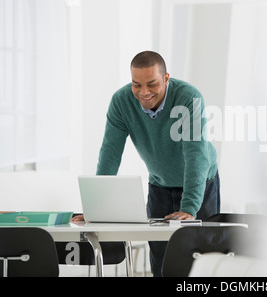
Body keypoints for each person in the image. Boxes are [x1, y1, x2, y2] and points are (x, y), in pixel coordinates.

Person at [73, 51, 220, 277]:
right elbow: (110, 153)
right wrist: (96, 207)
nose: (144, 92)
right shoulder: (121, 102)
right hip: (160, 185)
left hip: (201, 184)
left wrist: (189, 208)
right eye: (136, 85)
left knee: (202, 263)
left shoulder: (189, 98)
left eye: (152, 84)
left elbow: (195, 155)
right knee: (161, 262)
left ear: (166, 78)